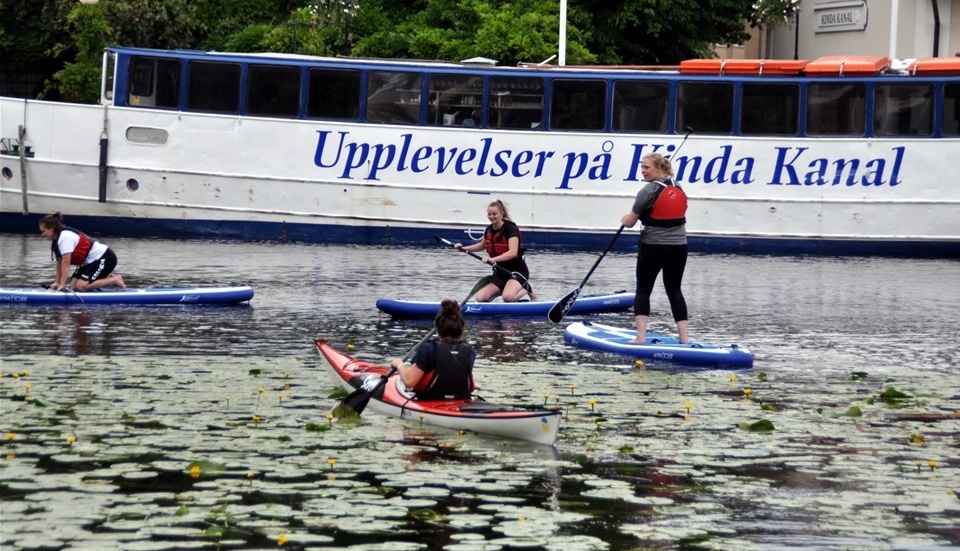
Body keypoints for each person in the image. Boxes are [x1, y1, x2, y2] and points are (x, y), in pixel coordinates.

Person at [620, 153, 690, 345]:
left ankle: (640, 337)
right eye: (642, 167)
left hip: (653, 247)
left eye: (646, 167)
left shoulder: (647, 191)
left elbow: (630, 222)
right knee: (674, 290)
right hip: (679, 247)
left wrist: (624, 218)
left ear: (658, 169)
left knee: (643, 290)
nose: (643, 171)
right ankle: (684, 338)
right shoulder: (678, 187)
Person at [391, 299, 476, 400]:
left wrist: (400, 365)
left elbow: (409, 382)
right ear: (461, 329)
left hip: (430, 400)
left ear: (437, 328)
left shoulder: (429, 348)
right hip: (460, 400)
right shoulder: (470, 350)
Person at [453, 199, 536, 302]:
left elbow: (513, 252)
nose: (491, 217)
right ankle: (508, 288)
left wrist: (492, 259)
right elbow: (481, 246)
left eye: (494, 214)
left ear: (502, 213)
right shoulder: (489, 230)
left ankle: (528, 287)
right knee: (480, 298)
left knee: (508, 298)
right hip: (501, 273)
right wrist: (463, 249)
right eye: (489, 214)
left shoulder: (510, 229)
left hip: (517, 272)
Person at [39, 212, 126, 292]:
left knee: (81, 287)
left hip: (104, 257)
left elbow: (66, 263)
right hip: (89, 262)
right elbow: (59, 262)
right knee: (73, 287)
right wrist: (57, 283)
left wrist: (62, 285)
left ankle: (115, 279)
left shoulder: (65, 237)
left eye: (43, 231)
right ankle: (104, 279)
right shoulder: (56, 241)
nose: (42, 234)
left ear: (52, 228)